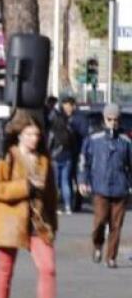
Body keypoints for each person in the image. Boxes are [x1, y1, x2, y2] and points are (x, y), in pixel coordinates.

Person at [0, 110, 58, 298]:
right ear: (19, 134)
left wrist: (52, 225)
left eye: (37, 135)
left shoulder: (44, 160)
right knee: (5, 272)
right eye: (30, 134)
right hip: (10, 221)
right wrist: (25, 187)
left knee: (48, 269)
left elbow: (51, 196)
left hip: (38, 223)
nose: (34, 139)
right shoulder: (7, 156)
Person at [80, 103, 132, 268]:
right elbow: (84, 162)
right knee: (100, 221)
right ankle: (97, 246)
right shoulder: (94, 139)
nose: (113, 123)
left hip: (120, 188)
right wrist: (83, 180)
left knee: (116, 225)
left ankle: (111, 257)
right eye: (110, 119)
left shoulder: (126, 141)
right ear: (104, 119)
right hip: (100, 187)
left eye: (116, 120)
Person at [48, 96, 80, 215]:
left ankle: (55, 206)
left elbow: (49, 143)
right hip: (68, 157)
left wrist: (49, 153)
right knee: (66, 181)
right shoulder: (69, 129)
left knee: (55, 183)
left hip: (55, 157)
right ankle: (67, 206)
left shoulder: (53, 130)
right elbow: (74, 144)